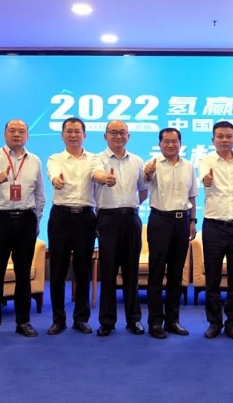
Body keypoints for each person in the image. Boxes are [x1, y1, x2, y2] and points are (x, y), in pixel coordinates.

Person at [0, 119, 46, 342]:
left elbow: (40, 195)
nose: (17, 134)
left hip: (26, 220)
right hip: (0, 220)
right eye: (12, 130)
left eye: (21, 131)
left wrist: (36, 221)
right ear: (4, 134)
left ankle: (23, 321)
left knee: (23, 275)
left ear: (27, 136)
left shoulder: (34, 160)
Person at [91, 120, 149, 337]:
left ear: (128, 136)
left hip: (131, 218)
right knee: (108, 271)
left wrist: (128, 205)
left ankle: (134, 320)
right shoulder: (97, 159)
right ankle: (107, 321)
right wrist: (105, 179)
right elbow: (96, 175)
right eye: (113, 132)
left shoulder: (137, 161)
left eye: (122, 132)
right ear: (105, 136)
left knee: (131, 272)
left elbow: (143, 191)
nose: (118, 136)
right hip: (107, 219)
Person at [198, 121, 233, 340]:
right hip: (213, 227)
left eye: (228, 136)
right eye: (220, 136)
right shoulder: (206, 161)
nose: (224, 140)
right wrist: (207, 179)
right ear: (213, 140)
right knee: (212, 278)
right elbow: (204, 177)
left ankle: (232, 322)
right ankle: (214, 322)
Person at [143, 128, 198, 339]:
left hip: (182, 221)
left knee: (176, 274)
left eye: (174, 141)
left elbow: (192, 197)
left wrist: (192, 221)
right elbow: (145, 181)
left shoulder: (188, 166)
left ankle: (173, 321)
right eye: (166, 141)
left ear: (180, 143)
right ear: (160, 144)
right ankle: (155, 322)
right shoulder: (152, 165)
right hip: (160, 220)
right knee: (156, 273)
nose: (170, 145)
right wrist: (148, 173)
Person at [45, 117, 96, 336]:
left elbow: (98, 176)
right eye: (69, 131)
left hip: (85, 217)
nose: (73, 135)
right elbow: (53, 173)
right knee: (58, 270)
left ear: (84, 135)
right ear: (62, 135)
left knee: (83, 270)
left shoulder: (94, 159)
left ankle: (81, 319)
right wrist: (56, 180)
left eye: (77, 131)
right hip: (61, 217)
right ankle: (58, 320)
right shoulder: (55, 159)